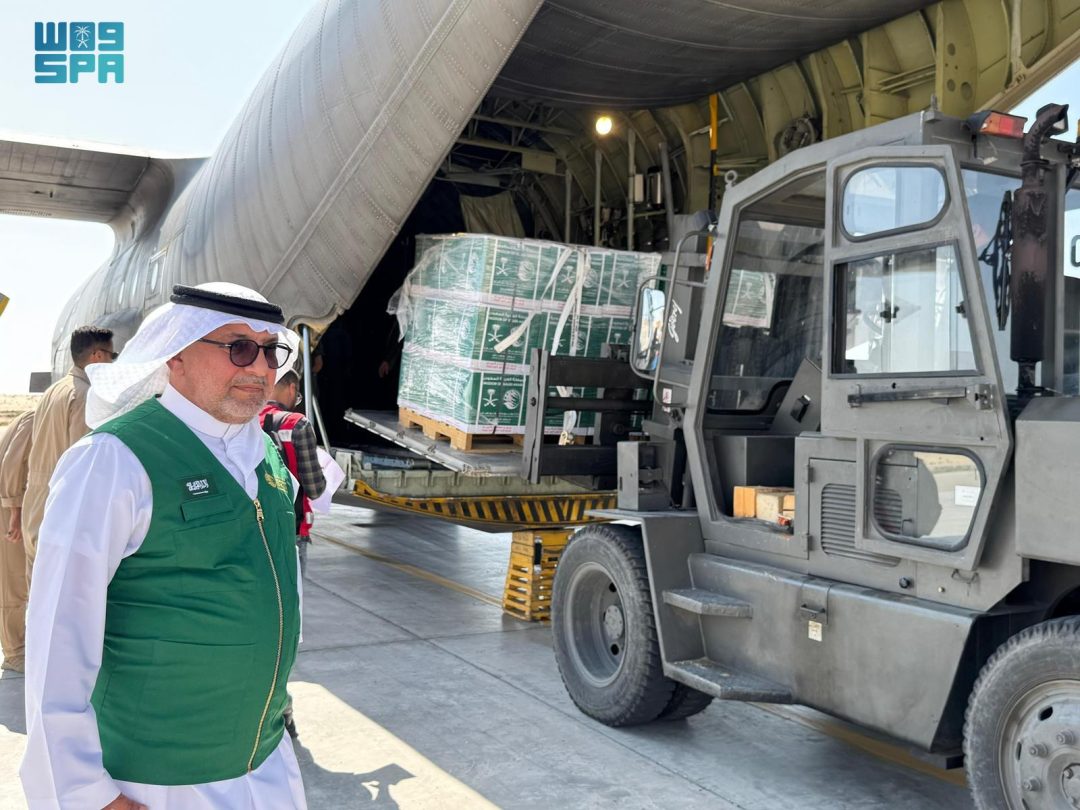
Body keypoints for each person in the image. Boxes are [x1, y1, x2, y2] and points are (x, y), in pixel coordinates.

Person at [21, 283, 306, 810]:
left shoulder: (265, 454)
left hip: (263, 766)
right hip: (158, 781)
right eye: (239, 348)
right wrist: (84, 792)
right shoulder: (112, 459)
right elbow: (58, 636)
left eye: (271, 351)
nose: (260, 368)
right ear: (176, 355)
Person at [21, 325, 115, 583]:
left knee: (37, 590)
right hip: (60, 504)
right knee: (61, 589)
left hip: (35, 501)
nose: (112, 363)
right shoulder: (84, 396)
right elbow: (82, 463)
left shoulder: (53, 391)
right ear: (97, 356)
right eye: (112, 356)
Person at [260, 369, 327, 578]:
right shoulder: (297, 424)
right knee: (290, 592)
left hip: (253, 525)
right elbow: (314, 488)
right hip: (290, 526)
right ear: (291, 389)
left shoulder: (244, 420)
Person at [0, 410, 34, 672]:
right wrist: (15, 508)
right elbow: (12, 463)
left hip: (17, 505)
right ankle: (13, 652)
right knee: (13, 579)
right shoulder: (36, 417)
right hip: (9, 508)